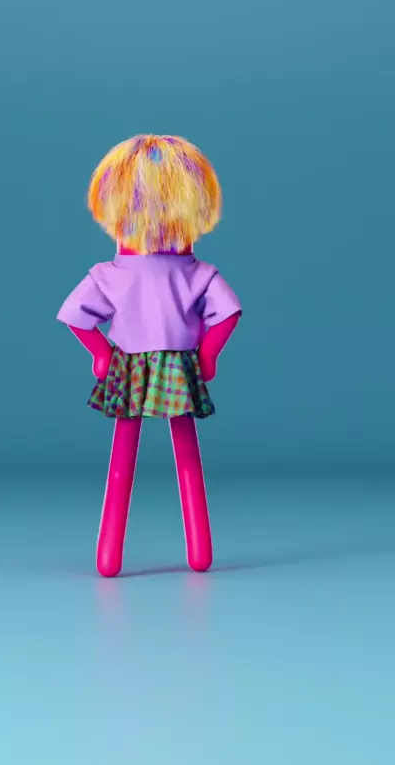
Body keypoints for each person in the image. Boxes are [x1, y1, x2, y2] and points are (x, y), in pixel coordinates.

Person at [57, 134, 242, 577]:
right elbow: (227, 314)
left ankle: (112, 558)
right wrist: (208, 355)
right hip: (177, 364)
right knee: (184, 458)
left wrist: (101, 354)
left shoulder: (113, 273)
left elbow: (77, 316)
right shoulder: (194, 272)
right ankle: (195, 553)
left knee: (127, 460)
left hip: (134, 364)